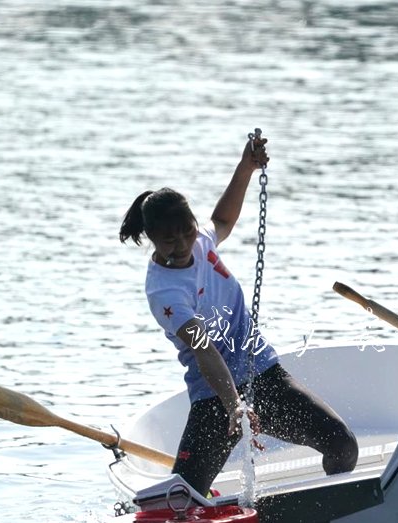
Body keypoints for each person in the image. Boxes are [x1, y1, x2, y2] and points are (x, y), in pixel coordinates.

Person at [118, 134, 358, 495]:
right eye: (170, 240)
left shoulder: (200, 239)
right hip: (216, 398)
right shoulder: (165, 292)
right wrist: (235, 407)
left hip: (262, 373)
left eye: (187, 231)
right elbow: (205, 351)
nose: (182, 245)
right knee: (183, 496)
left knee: (342, 445)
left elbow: (223, 220)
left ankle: (335, 517)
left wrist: (246, 166)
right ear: (151, 237)